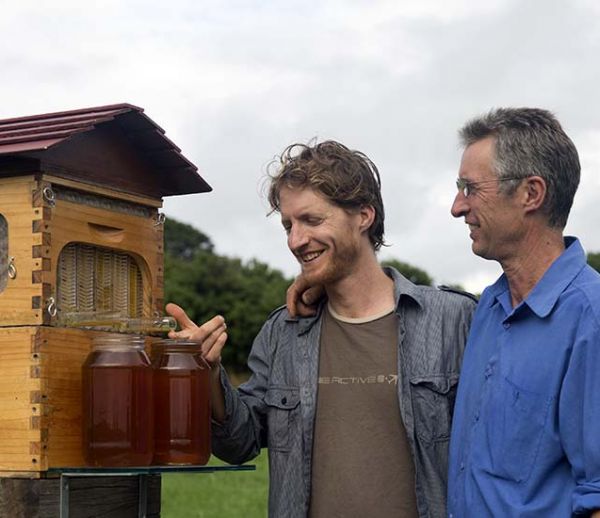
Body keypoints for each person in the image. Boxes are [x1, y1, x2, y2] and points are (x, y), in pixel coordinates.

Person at [167, 140, 476, 518]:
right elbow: (238, 444)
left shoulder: (454, 320)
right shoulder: (283, 330)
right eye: (288, 225)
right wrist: (209, 373)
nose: (295, 240)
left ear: (364, 215)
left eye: (312, 220)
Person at [447, 107, 600, 517]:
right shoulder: (490, 307)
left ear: (531, 193)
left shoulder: (591, 318)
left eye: (470, 188)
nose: (457, 207)